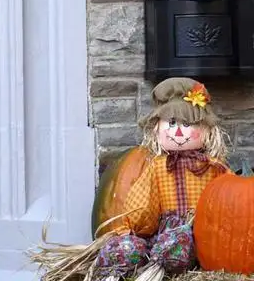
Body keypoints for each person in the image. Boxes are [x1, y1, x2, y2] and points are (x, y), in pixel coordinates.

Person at [93, 77, 229, 281]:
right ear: (156, 128)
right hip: (160, 237)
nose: (179, 131)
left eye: (187, 124)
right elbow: (143, 205)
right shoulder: (156, 166)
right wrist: (132, 227)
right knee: (128, 247)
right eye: (172, 123)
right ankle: (115, 273)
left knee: (178, 241)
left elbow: (232, 200)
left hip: (202, 237)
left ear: (207, 130)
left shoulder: (213, 167)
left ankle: (157, 270)